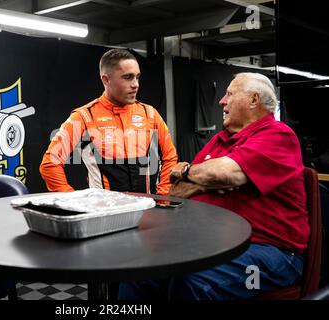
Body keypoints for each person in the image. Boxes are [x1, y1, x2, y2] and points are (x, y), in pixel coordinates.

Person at [119, 72, 310, 300]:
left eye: (229, 94)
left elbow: (223, 173)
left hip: (273, 256)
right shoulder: (219, 140)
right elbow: (176, 191)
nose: (221, 101)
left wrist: (189, 171)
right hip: (215, 244)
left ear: (253, 99)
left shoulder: (278, 135)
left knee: (194, 281)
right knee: (141, 270)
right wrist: (208, 182)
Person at [40, 49, 178, 195]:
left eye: (137, 77)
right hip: (104, 214)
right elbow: (50, 164)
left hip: (145, 210)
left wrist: (163, 197)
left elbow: (170, 158)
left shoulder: (149, 114)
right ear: (106, 80)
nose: (135, 84)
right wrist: (72, 201)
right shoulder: (84, 117)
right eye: (128, 77)